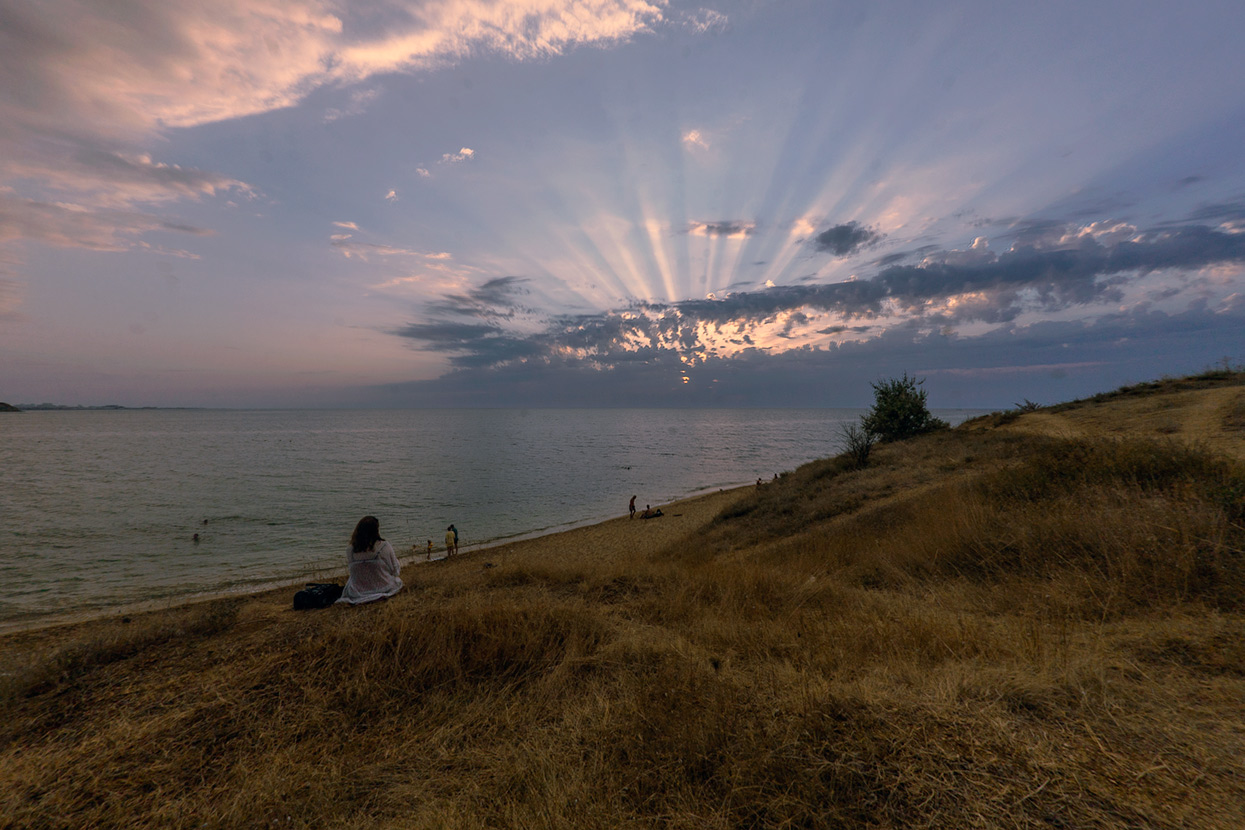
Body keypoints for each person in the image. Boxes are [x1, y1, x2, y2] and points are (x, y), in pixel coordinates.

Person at [336, 516, 403, 605]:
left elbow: (353, 573)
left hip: (357, 592)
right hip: (384, 587)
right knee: (397, 580)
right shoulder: (384, 546)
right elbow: (395, 571)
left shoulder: (350, 550)